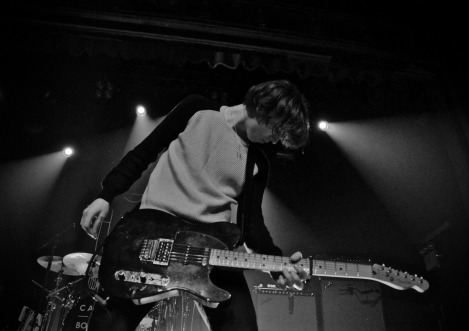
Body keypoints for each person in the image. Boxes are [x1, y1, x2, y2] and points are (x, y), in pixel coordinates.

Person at [80, 79, 311, 331]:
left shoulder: (258, 163)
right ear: (264, 109)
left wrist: (278, 267)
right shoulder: (198, 110)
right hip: (153, 237)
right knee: (112, 323)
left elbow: (253, 227)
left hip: (212, 249)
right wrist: (106, 194)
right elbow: (145, 152)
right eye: (277, 131)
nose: (276, 140)